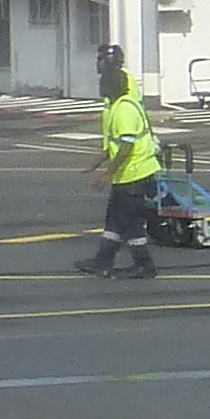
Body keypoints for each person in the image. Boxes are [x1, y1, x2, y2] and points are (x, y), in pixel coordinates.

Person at [75, 51, 163, 280]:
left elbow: (126, 146)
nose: (100, 86)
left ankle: (143, 265)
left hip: (135, 174)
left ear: (111, 86)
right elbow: (113, 145)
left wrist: (106, 174)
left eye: (103, 83)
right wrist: (95, 164)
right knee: (116, 220)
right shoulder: (116, 106)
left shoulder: (124, 109)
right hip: (126, 175)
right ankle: (103, 262)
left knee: (128, 222)